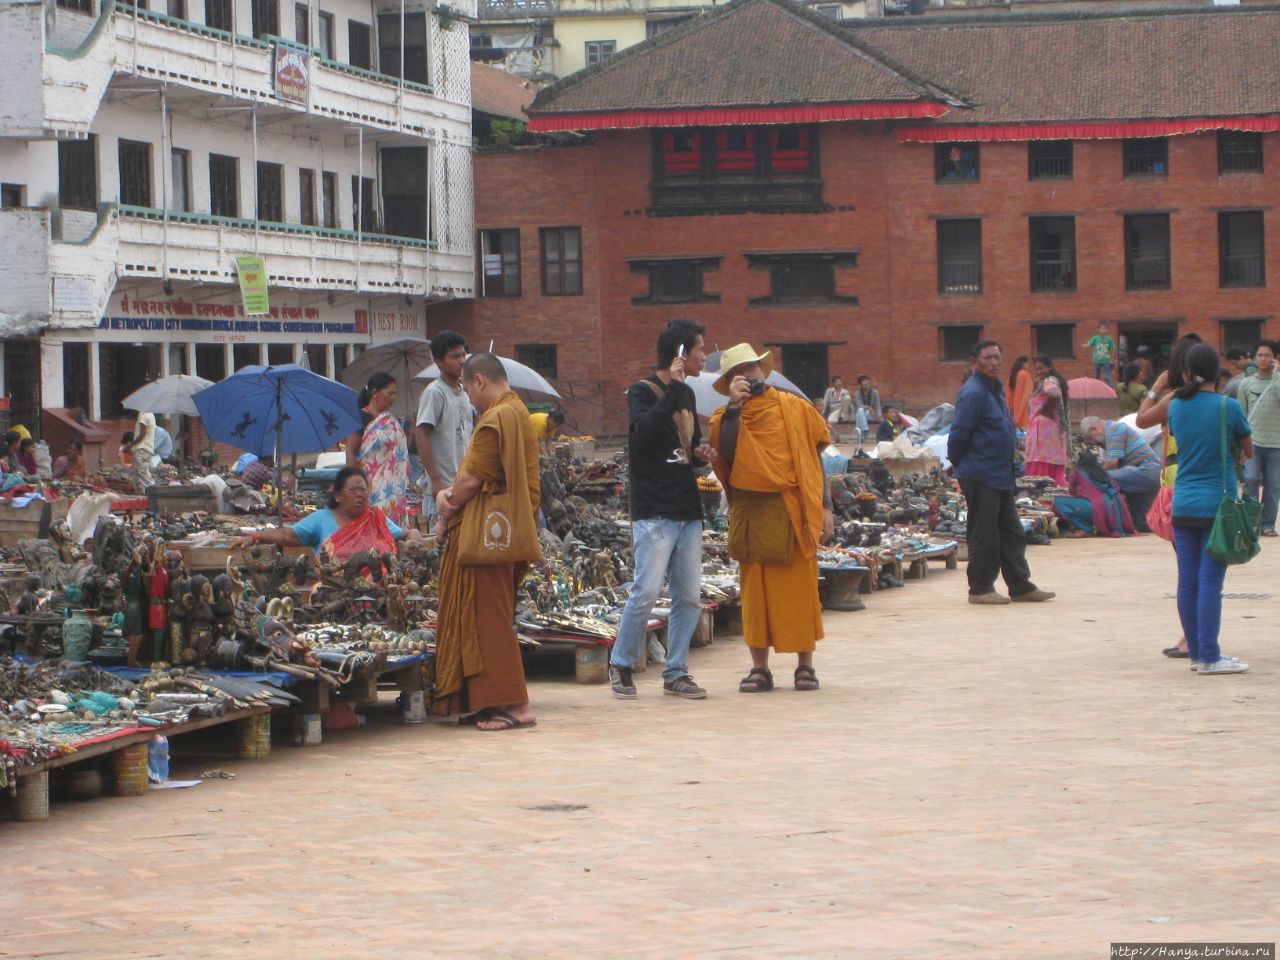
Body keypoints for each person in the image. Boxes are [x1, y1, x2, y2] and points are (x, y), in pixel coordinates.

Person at [708, 343, 831, 693]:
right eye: (738, 372)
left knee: (800, 592)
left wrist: (826, 508)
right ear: (730, 381)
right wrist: (734, 407)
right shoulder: (725, 417)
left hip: (795, 510)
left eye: (752, 368)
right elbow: (727, 455)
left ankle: (805, 666)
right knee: (755, 594)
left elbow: (814, 458)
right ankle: (759, 668)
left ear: (765, 370)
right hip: (753, 513)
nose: (748, 375)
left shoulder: (796, 408)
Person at [608, 319, 716, 701]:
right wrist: (671, 388)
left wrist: (702, 456)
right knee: (647, 590)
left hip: (687, 508)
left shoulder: (686, 395)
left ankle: (676, 671)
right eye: (700, 349)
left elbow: (689, 446)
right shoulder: (642, 392)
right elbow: (644, 437)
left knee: (688, 596)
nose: (706, 355)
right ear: (682, 354)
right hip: (654, 510)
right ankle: (621, 662)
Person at [433, 353, 541, 730]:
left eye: (466, 388)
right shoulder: (519, 412)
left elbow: (471, 480)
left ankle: (515, 703)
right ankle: (487, 700)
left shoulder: (496, 418)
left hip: (486, 535)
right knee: (487, 615)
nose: (467, 397)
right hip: (507, 530)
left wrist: (447, 502)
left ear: (479, 380)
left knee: (488, 618)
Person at [1166, 343, 1253, 675]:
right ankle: (1210, 657)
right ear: (1217, 373)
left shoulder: (1175, 406)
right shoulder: (1227, 407)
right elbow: (1248, 449)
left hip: (1183, 502)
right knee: (1210, 581)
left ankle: (1197, 654)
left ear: (1186, 372)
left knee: (1187, 579)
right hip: (1218, 504)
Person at [947, 339, 1054, 605]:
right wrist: (961, 465)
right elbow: (959, 434)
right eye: (988, 358)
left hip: (1000, 473)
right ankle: (981, 588)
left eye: (997, 357)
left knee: (1011, 531)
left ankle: (1020, 585)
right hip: (981, 473)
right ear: (975, 362)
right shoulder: (973, 393)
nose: (994, 363)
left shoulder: (994, 390)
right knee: (985, 533)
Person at [1137, 332, 1203, 660]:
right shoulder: (1218, 403)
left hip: (1177, 489)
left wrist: (1156, 387)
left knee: (1189, 569)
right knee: (1204, 569)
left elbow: (1140, 419)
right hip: (1206, 488)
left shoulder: (1173, 401)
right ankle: (1192, 635)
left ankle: (1192, 637)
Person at [237, 466, 420, 566]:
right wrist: (256, 537)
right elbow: (288, 535)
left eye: (363, 490)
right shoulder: (322, 519)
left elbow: (407, 534)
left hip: (382, 593)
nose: (359, 495)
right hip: (334, 593)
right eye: (353, 490)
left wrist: (414, 541)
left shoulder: (376, 517)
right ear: (337, 495)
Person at [415, 330, 473, 522]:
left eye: (463, 355)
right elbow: (421, 434)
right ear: (439, 362)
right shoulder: (435, 393)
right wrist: (436, 481)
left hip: (462, 486)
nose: (462, 360)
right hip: (442, 492)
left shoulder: (465, 393)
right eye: (455, 356)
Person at [345, 371, 410, 524]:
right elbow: (350, 452)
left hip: (393, 491)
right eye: (390, 393)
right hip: (369, 486)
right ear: (375, 393)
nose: (394, 398)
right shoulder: (360, 418)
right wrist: (353, 485)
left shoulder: (390, 420)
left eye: (396, 393)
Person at [1079, 416, 1161, 531]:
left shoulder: (1113, 429)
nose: (1094, 443)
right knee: (1143, 524)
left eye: (1091, 439)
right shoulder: (1111, 435)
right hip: (1151, 474)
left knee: (1094, 479)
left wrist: (1092, 474)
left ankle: (1096, 520)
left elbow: (1112, 463)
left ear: (1094, 429)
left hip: (1146, 470)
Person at [1237, 339, 1280, 538]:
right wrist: (1239, 443)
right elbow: (1240, 414)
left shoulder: (1278, 380)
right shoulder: (1246, 384)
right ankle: (1252, 522)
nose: (1263, 359)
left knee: (1273, 485)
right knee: (1251, 478)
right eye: (1260, 355)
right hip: (1252, 443)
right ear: (1254, 357)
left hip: (1277, 443)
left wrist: (1277, 375)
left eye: (1268, 355)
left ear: (1274, 358)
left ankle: (1268, 524)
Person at [1024, 354, 1070, 485]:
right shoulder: (1053, 379)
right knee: (1053, 468)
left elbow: (1053, 392)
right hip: (1051, 432)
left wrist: (1045, 408)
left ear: (1049, 367)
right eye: (1036, 369)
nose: (1038, 372)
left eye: (1041, 368)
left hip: (1042, 435)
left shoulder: (1049, 381)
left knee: (1041, 469)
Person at [128, 411, 157, 492]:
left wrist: (129, 445)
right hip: (148, 449)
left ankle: (155, 492)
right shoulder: (151, 414)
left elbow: (142, 434)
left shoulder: (143, 415)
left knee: (142, 473)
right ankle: (142, 494)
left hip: (141, 449)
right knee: (140, 474)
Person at [821, 376, 856, 442]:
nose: (839, 383)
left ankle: (843, 416)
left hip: (844, 409)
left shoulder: (846, 391)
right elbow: (825, 402)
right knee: (830, 421)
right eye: (837, 382)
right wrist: (822, 411)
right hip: (834, 411)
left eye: (840, 381)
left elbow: (850, 405)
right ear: (833, 383)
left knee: (847, 398)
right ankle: (837, 438)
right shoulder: (829, 391)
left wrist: (852, 414)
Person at [1083, 321, 1116, 385]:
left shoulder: (1109, 339)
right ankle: (1097, 387)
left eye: (1106, 329)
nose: (1104, 330)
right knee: (1097, 376)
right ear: (1099, 329)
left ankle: (1110, 387)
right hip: (1097, 360)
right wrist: (1086, 345)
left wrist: (1113, 359)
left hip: (1106, 360)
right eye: (1103, 328)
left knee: (1108, 375)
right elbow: (1089, 343)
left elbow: (1112, 349)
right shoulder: (1095, 338)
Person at [1005, 356, 1033, 431]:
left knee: (1017, 436)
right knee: (1024, 437)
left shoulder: (1011, 375)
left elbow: (1008, 394)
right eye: (1027, 363)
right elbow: (1027, 394)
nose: (1028, 366)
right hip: (1023, 413)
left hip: (1013, 413)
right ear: (1023, 363)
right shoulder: (1025, 374)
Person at [853, 374, 882, 443]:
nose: (867, 385)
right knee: (860, 411)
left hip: (872, 415)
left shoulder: (875, 392)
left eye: (868, 383)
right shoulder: (857, 393)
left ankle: (862, 436)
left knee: (859, 415)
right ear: (861, 385)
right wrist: (868, 407)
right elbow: (859, 405)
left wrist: (879, 416)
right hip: (863, 413)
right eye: (864, 383)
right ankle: (864, 430)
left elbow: (878, 405)